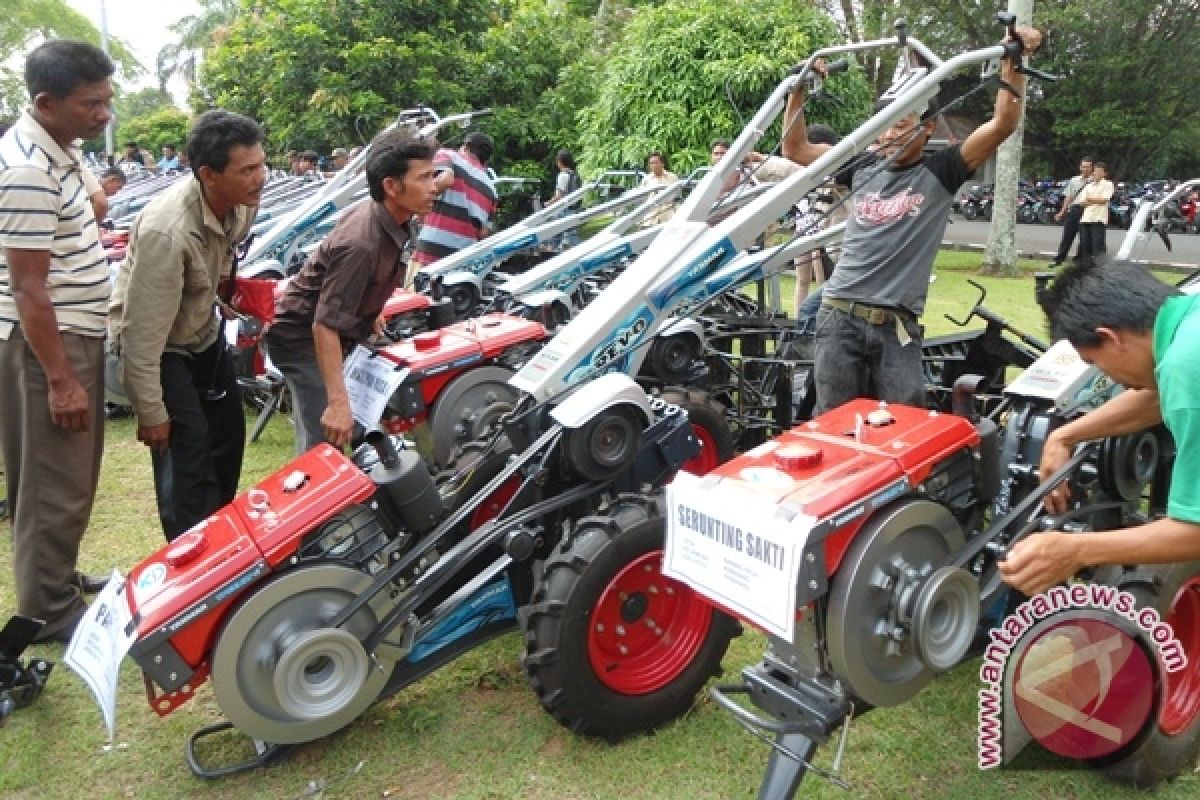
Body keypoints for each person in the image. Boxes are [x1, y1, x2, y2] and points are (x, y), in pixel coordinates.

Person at [784, 25, 1044, 413]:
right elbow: (795, 148)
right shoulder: (861, 166)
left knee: (904, 422)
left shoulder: (942, 170)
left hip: (897, 327)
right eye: (886, 124)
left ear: (926, 129)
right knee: (833, 423)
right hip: (839, 316)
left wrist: (1015, 61)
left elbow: (1003, 124)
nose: (890, 134)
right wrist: (798, 89)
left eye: (902, 124)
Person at [0, 39, 115, 643]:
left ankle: (57, 579)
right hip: (48, 342)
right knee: (53, 480)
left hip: (71, 333)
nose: (104, 114)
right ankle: (48, 609)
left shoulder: (57, 150)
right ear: (46, 102)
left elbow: (93, 205)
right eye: (91, 104)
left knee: (63, 475)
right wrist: (61, 379)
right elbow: (28, 289)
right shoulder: (26, 167)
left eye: (107, 99)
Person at [108, 110, 266, 541]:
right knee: (188, 456)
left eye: (261, 164)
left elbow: (223, 263)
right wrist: (151, 412)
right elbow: (141, 336)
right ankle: (192, 566)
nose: (261, 177)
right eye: (247, 170)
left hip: (203, 332)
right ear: (208, 174)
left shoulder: (242, 204)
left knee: (228, 440)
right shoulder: (168, 231)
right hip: (163, 347)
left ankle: (221, 548)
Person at [999, 259, 1200, 595]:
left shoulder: (1186, 368)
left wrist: (1076, 550)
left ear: (1110, 337)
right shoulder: (1188, 320)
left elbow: (1194, 530)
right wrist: (1066, 435)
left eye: (1093, 362)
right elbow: (1158, 397)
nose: (1105, 376)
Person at [268, 133, 438, 453]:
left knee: (372, 408)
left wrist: (368, 310)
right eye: (425, 177)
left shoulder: (396, 219)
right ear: (391, 186)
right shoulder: (361, 243)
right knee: (326, 435)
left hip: (342, 328)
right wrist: (336, 403)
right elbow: (325, 324)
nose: (434, 186)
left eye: (434, 175)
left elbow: (360, 285)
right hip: (302, 337)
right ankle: (315, 496)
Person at [409, 132, 498, 275]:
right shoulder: (491, 188)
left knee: (413, 296)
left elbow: (446, 180)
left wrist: (415, 205)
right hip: (462, 263)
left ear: (466, 146)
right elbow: (484, 233)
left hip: (430, 255)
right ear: (485, 159)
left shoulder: (450, 156)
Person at [1050, 157, 1093, 267]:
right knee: (1067, 236)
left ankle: (1079, 261)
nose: (1085, 169)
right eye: (1083, 166)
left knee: (1084, 238)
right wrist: (1062, 211)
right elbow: (1068, 197)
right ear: (1080, 167)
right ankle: (1059, 259)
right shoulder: (1074, 180)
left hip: (1087, 211)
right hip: (1074, 210)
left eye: (1087, 167)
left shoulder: (1094, 181)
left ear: (1092, 168)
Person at [1078, 161, 1113, 258]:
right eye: (1095, 171)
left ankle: (1101, 269)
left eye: (1099, 171)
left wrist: (1090, 199)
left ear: (1104, 173)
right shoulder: (1089, 185)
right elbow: (1082, 202)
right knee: (1085, 245)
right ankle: (1087, 268)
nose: (1096, 173)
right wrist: (1094, 200)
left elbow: (1104, 199)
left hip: (1098, 219)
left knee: (1098, 246)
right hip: (1086, 218)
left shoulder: (1108, 184)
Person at [640, 151, 679, 226]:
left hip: (668, 213)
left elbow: (677, 197)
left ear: (662, 164)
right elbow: (643, 199)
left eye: (655, 163)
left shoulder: (672, 177)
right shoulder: (646, 179)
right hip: (651, 214)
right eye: (651, 163)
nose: (653, 165)